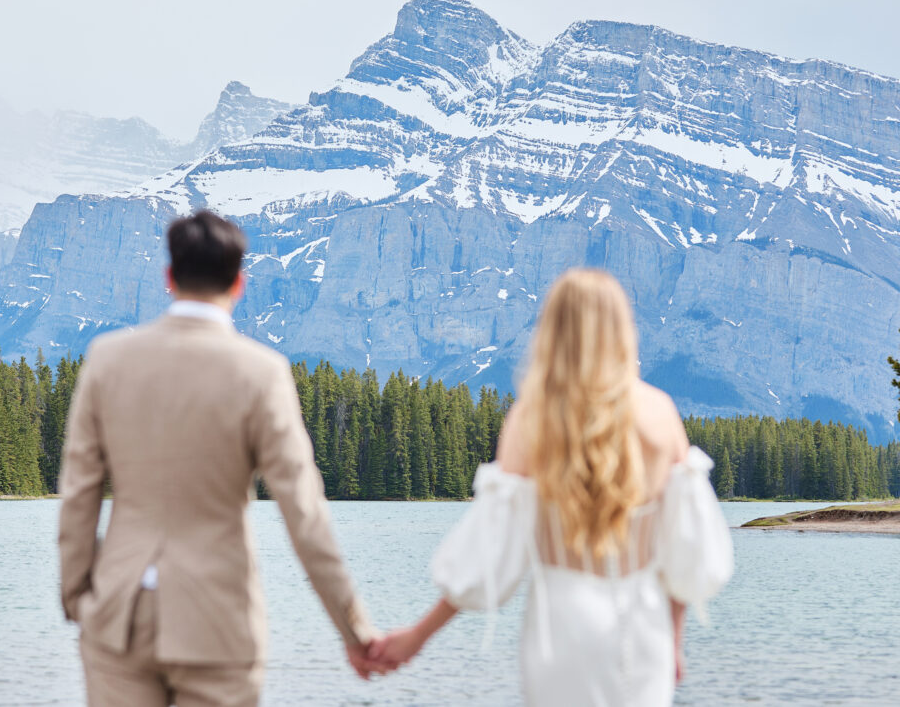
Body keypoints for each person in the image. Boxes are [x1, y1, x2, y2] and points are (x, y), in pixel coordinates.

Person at [57, 209, 382, 707]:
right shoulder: (261, 373)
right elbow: (304, 514)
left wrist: (78, 598)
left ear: (169, 278)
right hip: (216, 618)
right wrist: (353, 628)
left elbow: (78, 494)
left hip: (118, 615)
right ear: (239, 283)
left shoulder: (107, 359)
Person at [370, 268, 734, 706]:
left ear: (554, 331)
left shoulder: (531, 419)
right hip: (644, 624)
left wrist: (417, 636)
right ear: (622, 329)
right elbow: (684, 556)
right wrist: (673, 643)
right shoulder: (660, 414)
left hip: (562, 624)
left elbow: (488, 558)